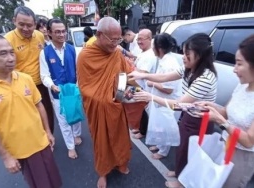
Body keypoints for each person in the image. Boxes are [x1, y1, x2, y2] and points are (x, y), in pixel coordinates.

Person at [195, 33, 254, 188]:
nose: (234, 69)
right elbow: (226, 111)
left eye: (239, 63)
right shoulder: (243, 86)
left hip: (241, 157)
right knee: (212, 181)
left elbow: (249, 141)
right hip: (225, 143)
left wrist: (220, 120)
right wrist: (211, 106)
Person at [0, 34, 62, 188]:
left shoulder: (25, 78)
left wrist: (48, 131)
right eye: (3, 53)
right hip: (21, 150)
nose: (11, 58)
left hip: (41, 142)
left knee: (54, 180)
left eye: (12, 52)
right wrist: (6, 157)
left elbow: (39, 105)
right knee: (40, 184)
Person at [129, 33, 217, 188]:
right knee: (182, 148)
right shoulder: (189, 68)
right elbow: (164, 78)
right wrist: (141, 74)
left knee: (192, 152)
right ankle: (179, 172)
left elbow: (178, 104)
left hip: (199, 121)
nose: (183, 57)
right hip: (189, 115)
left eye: (187, 54)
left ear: (200, 56)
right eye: (184, 52)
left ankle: (182, 183)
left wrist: (150, 96)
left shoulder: (205, 78)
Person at [77, 17, 138, 188]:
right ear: (99, 34)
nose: (116, 43)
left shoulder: (117, 53)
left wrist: (125, 91)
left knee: (120, 136)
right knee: (101, 140)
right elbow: (85, 86)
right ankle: (103, 172)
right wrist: (105, 99)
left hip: (117, 104)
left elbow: (123, 75)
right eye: (112, 39)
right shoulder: (85, 56)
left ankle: (121, 162)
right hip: (98, 108)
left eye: (119, 39)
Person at [4, 6, 55, 134]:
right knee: (27, 117)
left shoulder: (39, 36)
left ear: (35, 24)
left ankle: (49, 139)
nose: (26, 29)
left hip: (40, 84)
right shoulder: (7, 40)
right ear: (14, 21)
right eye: (21, 24)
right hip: (19, 87)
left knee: (47, 114)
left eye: (30, 25)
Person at [40, 18, 82, 159]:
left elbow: (79, 70)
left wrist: (78, 84)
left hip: (73, 90)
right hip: (57, 93)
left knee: (75, 114)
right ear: (50, 33)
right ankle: (70, 146)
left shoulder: (72, 49)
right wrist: (52, 85)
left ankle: (77, 134)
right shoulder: (44, 53)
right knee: (63, 121)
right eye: (57, 32)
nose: (61, 34)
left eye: (63, 31)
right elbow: (44, 75)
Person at [123, 28, 157, 136]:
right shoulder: (143, 52)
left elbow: (142, 72)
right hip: (136, 85)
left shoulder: (150, 55)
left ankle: (142, 130)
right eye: (138, 39)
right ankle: (136, 125)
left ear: (149, 39)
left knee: (125, 100)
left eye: (142, 39)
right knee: (122, 99)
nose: (139, 42)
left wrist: (129, 65)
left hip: (142, 88)